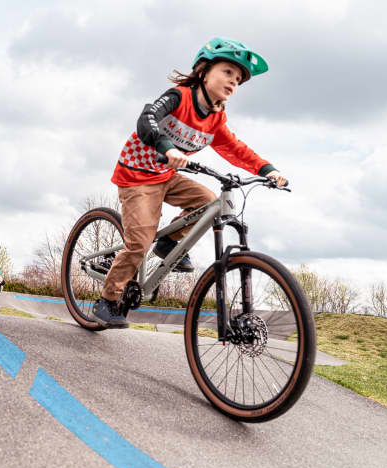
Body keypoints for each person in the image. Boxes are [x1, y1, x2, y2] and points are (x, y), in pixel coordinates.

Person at [92, 37, 288, 329]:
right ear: (203, 71)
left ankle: (169, 242)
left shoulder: (216, 118)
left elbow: (235, 148)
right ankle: (107, 300)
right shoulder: (179, 97)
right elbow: (147, 119)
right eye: (227, 72)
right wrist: (166, 146)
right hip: (137, 176)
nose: (233, 82)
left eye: (238, 79)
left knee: (211, 201)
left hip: (167, 176)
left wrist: (267, 169)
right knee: (139, 242)